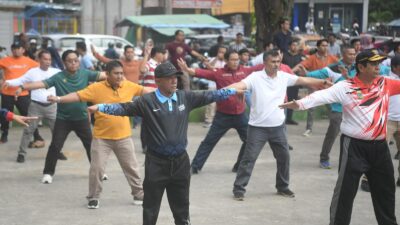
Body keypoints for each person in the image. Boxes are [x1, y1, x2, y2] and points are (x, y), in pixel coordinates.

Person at [89, 61, 241, 225]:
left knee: (182, 208)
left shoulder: (185, 97)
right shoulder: (146, 101)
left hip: (180, 163)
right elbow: (123, 108)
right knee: (150, 209)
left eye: (175, 77)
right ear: (158, 81)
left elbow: (211, 95)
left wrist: (232, 91)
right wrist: (100, 107)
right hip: (156, 164)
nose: (174, 80)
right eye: (169, 78)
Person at [279, 50, 399, 225]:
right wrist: (300, 104)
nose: (378, 67)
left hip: (380, 148)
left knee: (386, 192)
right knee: (345, 193)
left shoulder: (385, 83)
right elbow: (322, 96)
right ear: (361, 66)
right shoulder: (346, 87)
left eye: (379, 63)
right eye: (373, 64)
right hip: (353, 147)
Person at [47, 60, 155, 209]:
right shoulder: (96, 88)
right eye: (116, 74)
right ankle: (93, 197)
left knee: (131, 167)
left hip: (123, 137)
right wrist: (59, 99)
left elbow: (145, 90)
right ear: (107, 74)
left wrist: (165, 90)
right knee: (96, 169)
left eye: (121, 73)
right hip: (101, 138)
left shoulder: (128, 85)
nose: (120, 76)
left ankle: (138, 194)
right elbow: (78, 96)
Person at [228, 50, 331, 200]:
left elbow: (303, 80)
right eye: (273, 62)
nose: (276, 65)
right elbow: (240, 84)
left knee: (284, 157)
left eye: (278, 62)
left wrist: (321, 83)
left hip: (278, 127)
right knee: (249, 159)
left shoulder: (284, 77)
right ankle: (239, 189)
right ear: (265, 63)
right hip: (258, 128)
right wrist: (225, 91)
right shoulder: (255, 78)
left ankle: (283, 187)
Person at [19, 50, 106, 184]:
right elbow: (41, 84)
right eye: (70, 61)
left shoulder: (85, 74)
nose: (73, 63)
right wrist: (22, 86)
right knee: (55, 146)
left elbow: (104, 75)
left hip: (81, 118)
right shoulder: (58, 77)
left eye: (76, 60)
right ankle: (48, 173)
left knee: (91, 146)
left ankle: (99, 171)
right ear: (64, 63)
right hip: (63, 119)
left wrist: (118, 74)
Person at [178, 51, 264, 173]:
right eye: (232, 59)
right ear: (227, 61)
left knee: (250, 140)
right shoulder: (219, 73)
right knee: (208, 142)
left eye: (237, 59)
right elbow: (201, 73)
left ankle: (239, 166)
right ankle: (195, 167)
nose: (235, 62)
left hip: (240, 115)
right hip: (222, 116)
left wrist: (274, 59)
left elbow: (261, 66)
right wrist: (186, 69)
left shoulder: (245, 71)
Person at [3, 50, 61, 163]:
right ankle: (21, 154)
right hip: (36, 106)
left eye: (49, 59)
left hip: (52, 106)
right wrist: (8, 82)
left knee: (57, 131)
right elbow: (20, 81)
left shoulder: (56, 72)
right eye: (45, 59)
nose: (48, 62)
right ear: (39, 60)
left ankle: (58, 152)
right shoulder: (32, 72)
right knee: (28, 130)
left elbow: (68, 79)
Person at [293, 38, 339, 137]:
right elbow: (301, 65)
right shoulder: (312, 58)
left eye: (326, 45)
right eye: (323, 45)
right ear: (318, 47)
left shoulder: (332, 58)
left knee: (332, 108)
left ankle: (336, 128)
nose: (325, 47)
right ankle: (309, 129)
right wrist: (291, 72)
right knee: (311, 108)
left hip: (328, 87)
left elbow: (341, 65)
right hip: (314, 86)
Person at [0, 42, 42, 144]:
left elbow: (40, 69)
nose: (16, 50)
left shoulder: (29, 61)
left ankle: (36, 136)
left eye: (18, 48)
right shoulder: (5, 60)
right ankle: (4, 135)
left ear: (23, 50)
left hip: (22, 94)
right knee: (5, 115)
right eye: (13, 48)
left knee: (28, 115)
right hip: (7, 94)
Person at [282, 39, 305, 125]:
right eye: (293, 45)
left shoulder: (299, 57)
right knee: (284, 98)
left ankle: (289, 118)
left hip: (295, 81)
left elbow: (301, 68)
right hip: (285, 80)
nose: (294, 47)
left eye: (296, 45)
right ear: (289, 46)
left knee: (292, 99)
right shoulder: (284, 56)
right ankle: (283, 117)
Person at [386, 55, 400, 187]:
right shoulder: (387, 80)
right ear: (395, 67)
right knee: (378, 152)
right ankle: (367, 180)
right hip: (387, 121)